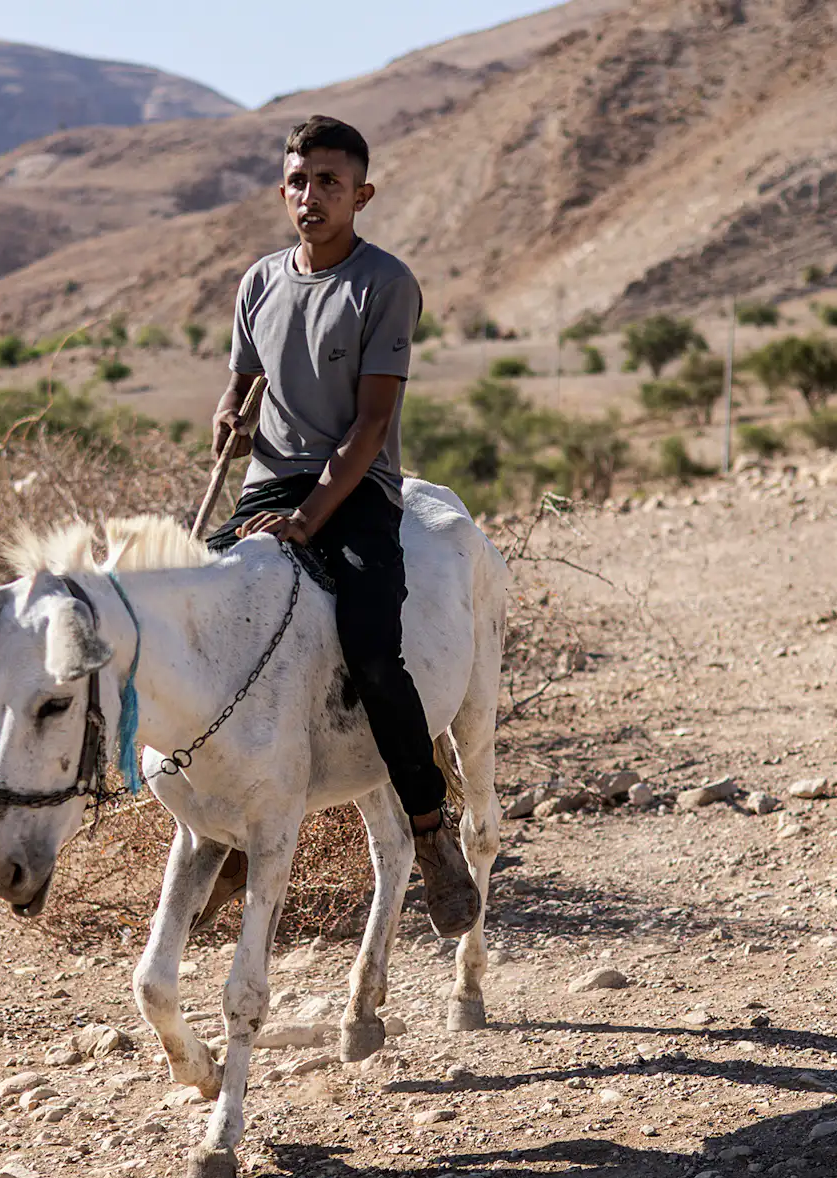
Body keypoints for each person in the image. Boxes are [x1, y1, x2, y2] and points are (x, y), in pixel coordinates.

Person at [206, 114, 479, 938]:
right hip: (266, 488)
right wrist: (228, 416)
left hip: (355, 491)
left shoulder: (384, 284)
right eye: (298, 180)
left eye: (329, 182)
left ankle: (430, 834)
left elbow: (369, 427)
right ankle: (228, 821)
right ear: (282, 190)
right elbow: (242, 381)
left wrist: (310, 518)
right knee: (198, 626)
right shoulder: (259, 280)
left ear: (361, 194)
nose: (311, 195)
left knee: (371, 648)